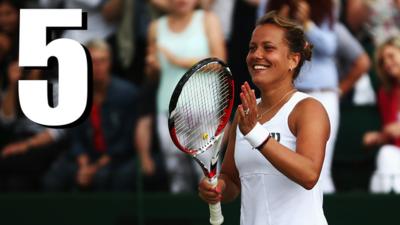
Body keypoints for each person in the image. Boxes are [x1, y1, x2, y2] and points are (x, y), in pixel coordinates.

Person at [199, 12, 330, 225]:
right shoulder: (245, 113)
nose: (256, 55)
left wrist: (255, 134)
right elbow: (231, 180)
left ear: (293, 60)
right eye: (252, 48)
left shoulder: (308, 109)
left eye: (268, 48)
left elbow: (309, 174)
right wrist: (218, 187)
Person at [145, 0, 226, 193]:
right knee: (176, 174)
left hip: (204, 109)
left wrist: (178, 61)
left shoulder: (208, 19)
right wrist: (153, 67)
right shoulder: (156, 27)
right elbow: (152, 75)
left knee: (208, 173)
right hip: (168, 108)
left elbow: (219, 62)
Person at [43, 39, 139, 191]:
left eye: (103, 61)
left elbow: (127, 141)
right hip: (85, 157)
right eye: (93, 61)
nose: (98, 67)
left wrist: (95, 167)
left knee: (103, 177)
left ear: (110, 63)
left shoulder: (128, 94)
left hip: (116, 158)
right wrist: (84, 164)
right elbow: (74, 137)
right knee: (53, 179)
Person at [363, 36, 400, 193]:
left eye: (391, 56)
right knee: (379, 178)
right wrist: (378, 137)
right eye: (383, 61)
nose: (387, 64)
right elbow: (391, 133)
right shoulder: (386, 94)